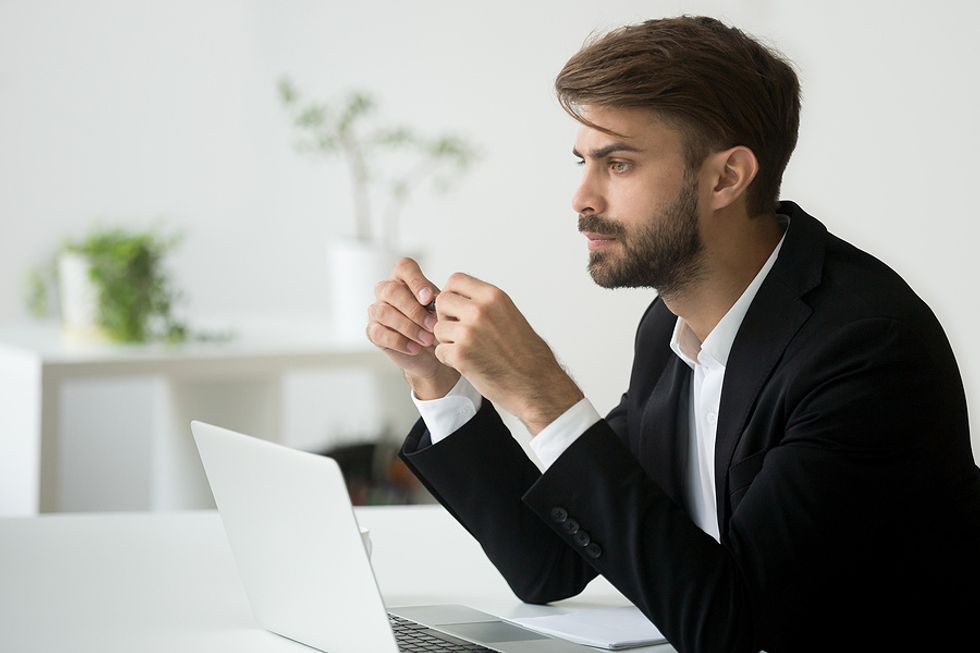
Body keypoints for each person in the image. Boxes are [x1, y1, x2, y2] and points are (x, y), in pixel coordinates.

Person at [365, 16, 980, 653]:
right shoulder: (671, 327)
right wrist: (438, 383)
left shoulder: (864, 348)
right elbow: (550, 564)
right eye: (583, 162)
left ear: (725, 177)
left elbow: (736, 626)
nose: (580, 196)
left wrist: (542, 393)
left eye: (619, 164)